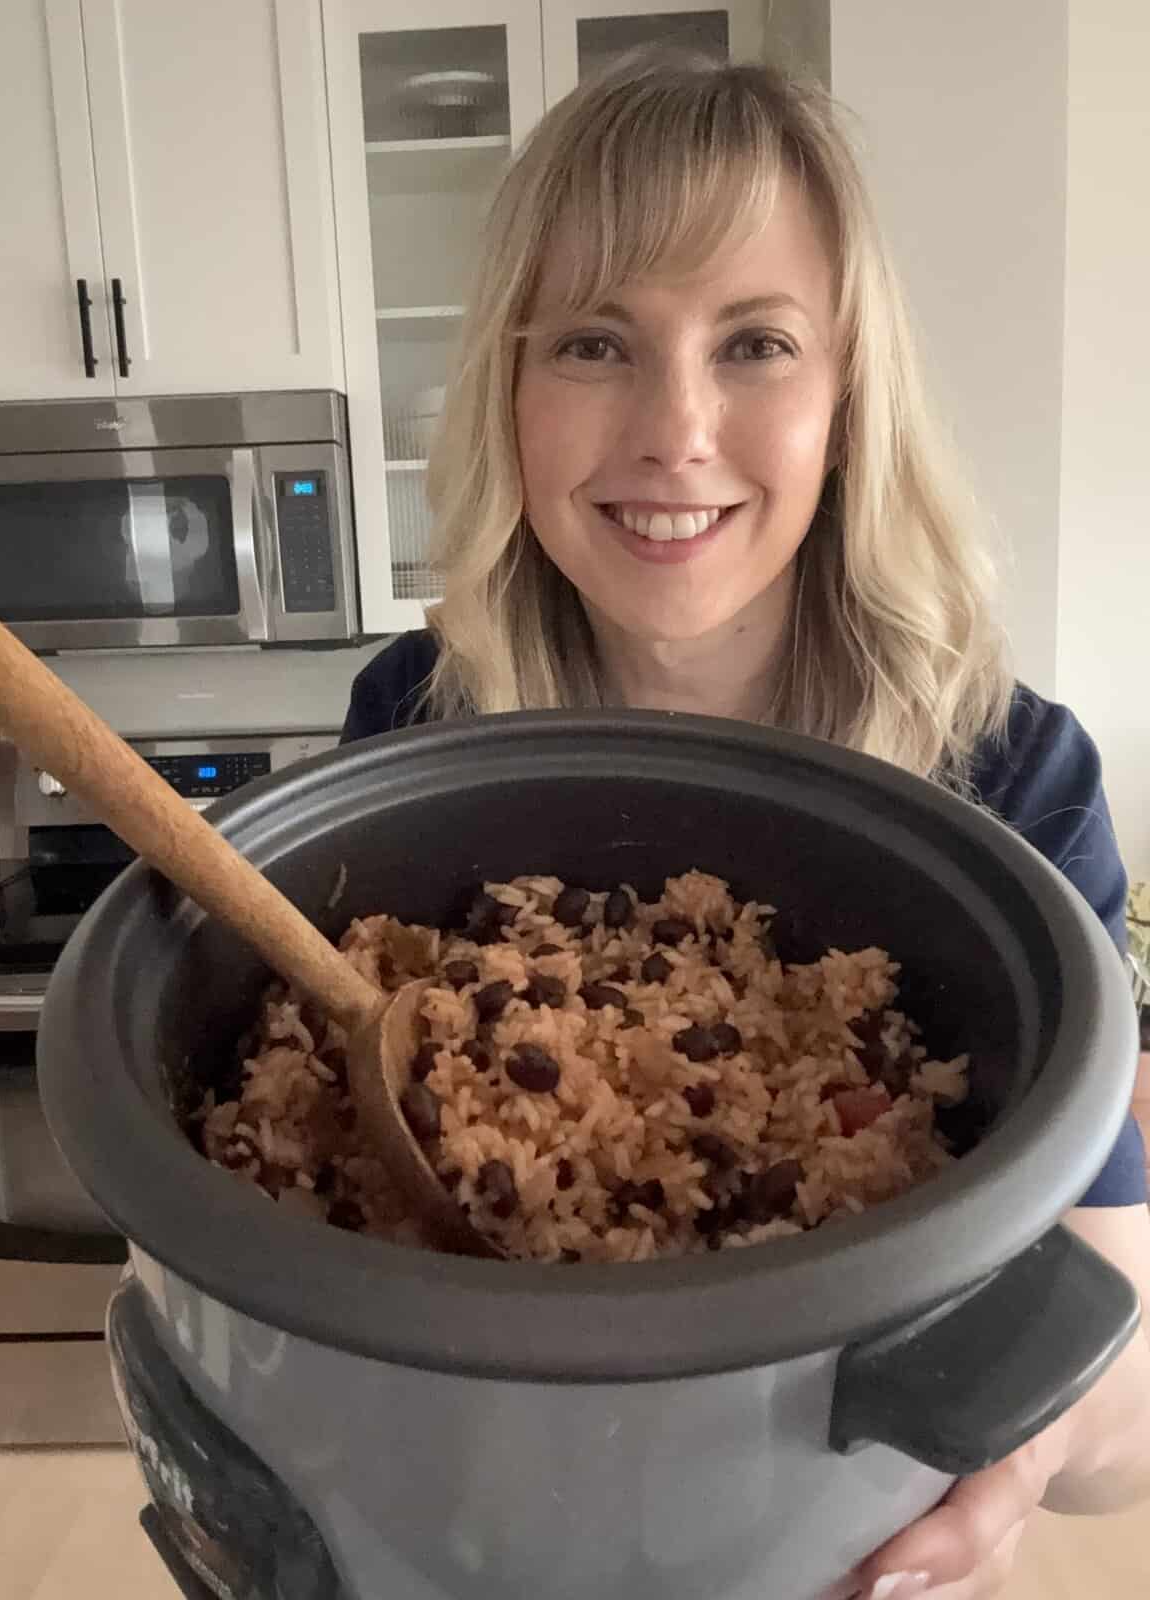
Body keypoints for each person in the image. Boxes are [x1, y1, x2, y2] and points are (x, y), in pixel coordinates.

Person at [342, 53, 1150, 1600]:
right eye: (594, 342)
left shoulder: (1014, 778)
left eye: (758, 344)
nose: (676, 431)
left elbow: (1125, 1435)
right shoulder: (411, 726)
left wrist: (1028, 1456)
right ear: (510, 396)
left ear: (849, 403)